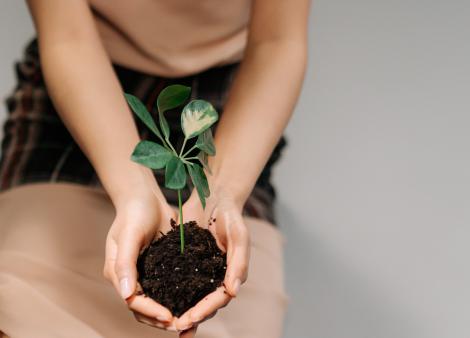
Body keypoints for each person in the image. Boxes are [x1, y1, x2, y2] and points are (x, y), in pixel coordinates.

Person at [0, 0, 309, 337]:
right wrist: (133, 191)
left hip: (229, 105)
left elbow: (277, 41)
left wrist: (223, 193)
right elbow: (67, 37)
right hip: (80, 87)